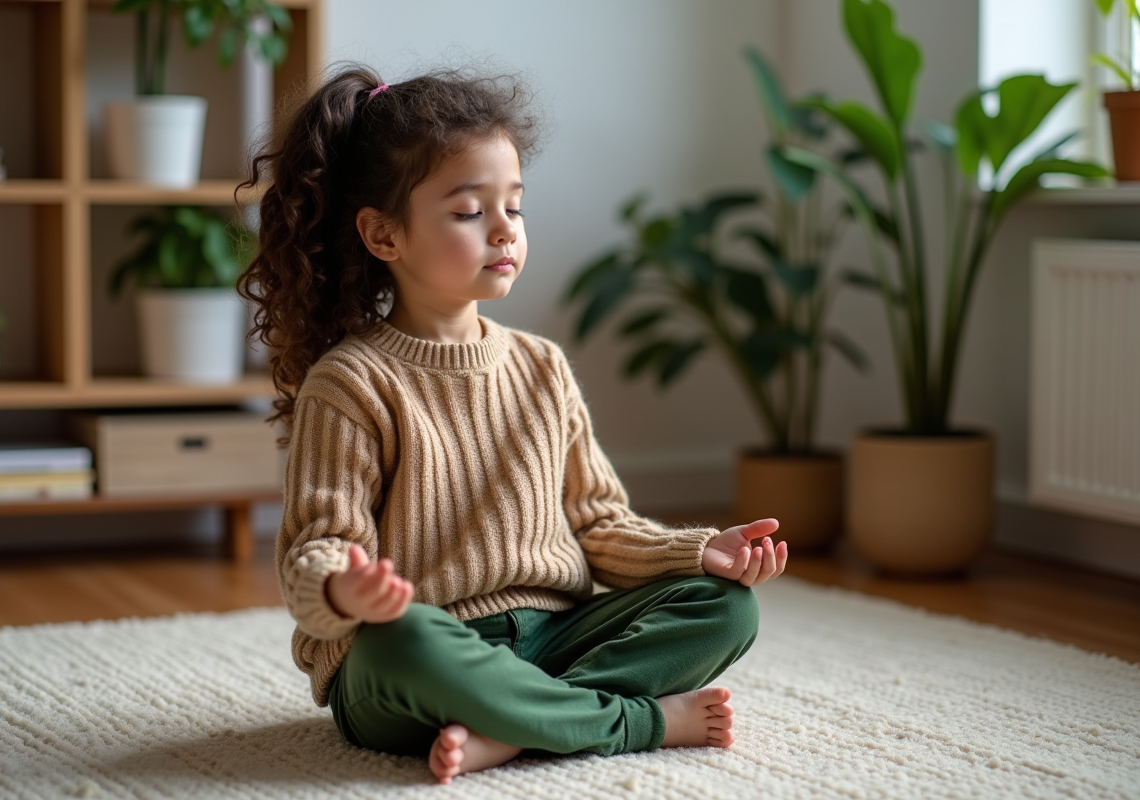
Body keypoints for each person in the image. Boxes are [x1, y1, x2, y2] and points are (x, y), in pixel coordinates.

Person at [239, 64, 788, 785]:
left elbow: (598, 525)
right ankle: (631, 722)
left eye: (515, 207)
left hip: (553, 637)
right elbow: (319, 546)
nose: (504, 230)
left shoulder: (542, 367)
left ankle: (513, 724)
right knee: (402, 639)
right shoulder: (350, 383)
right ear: (383, 234)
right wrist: (346, 590)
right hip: (420, 655)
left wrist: (699, 552)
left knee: (727, 609)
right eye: (470, 212)